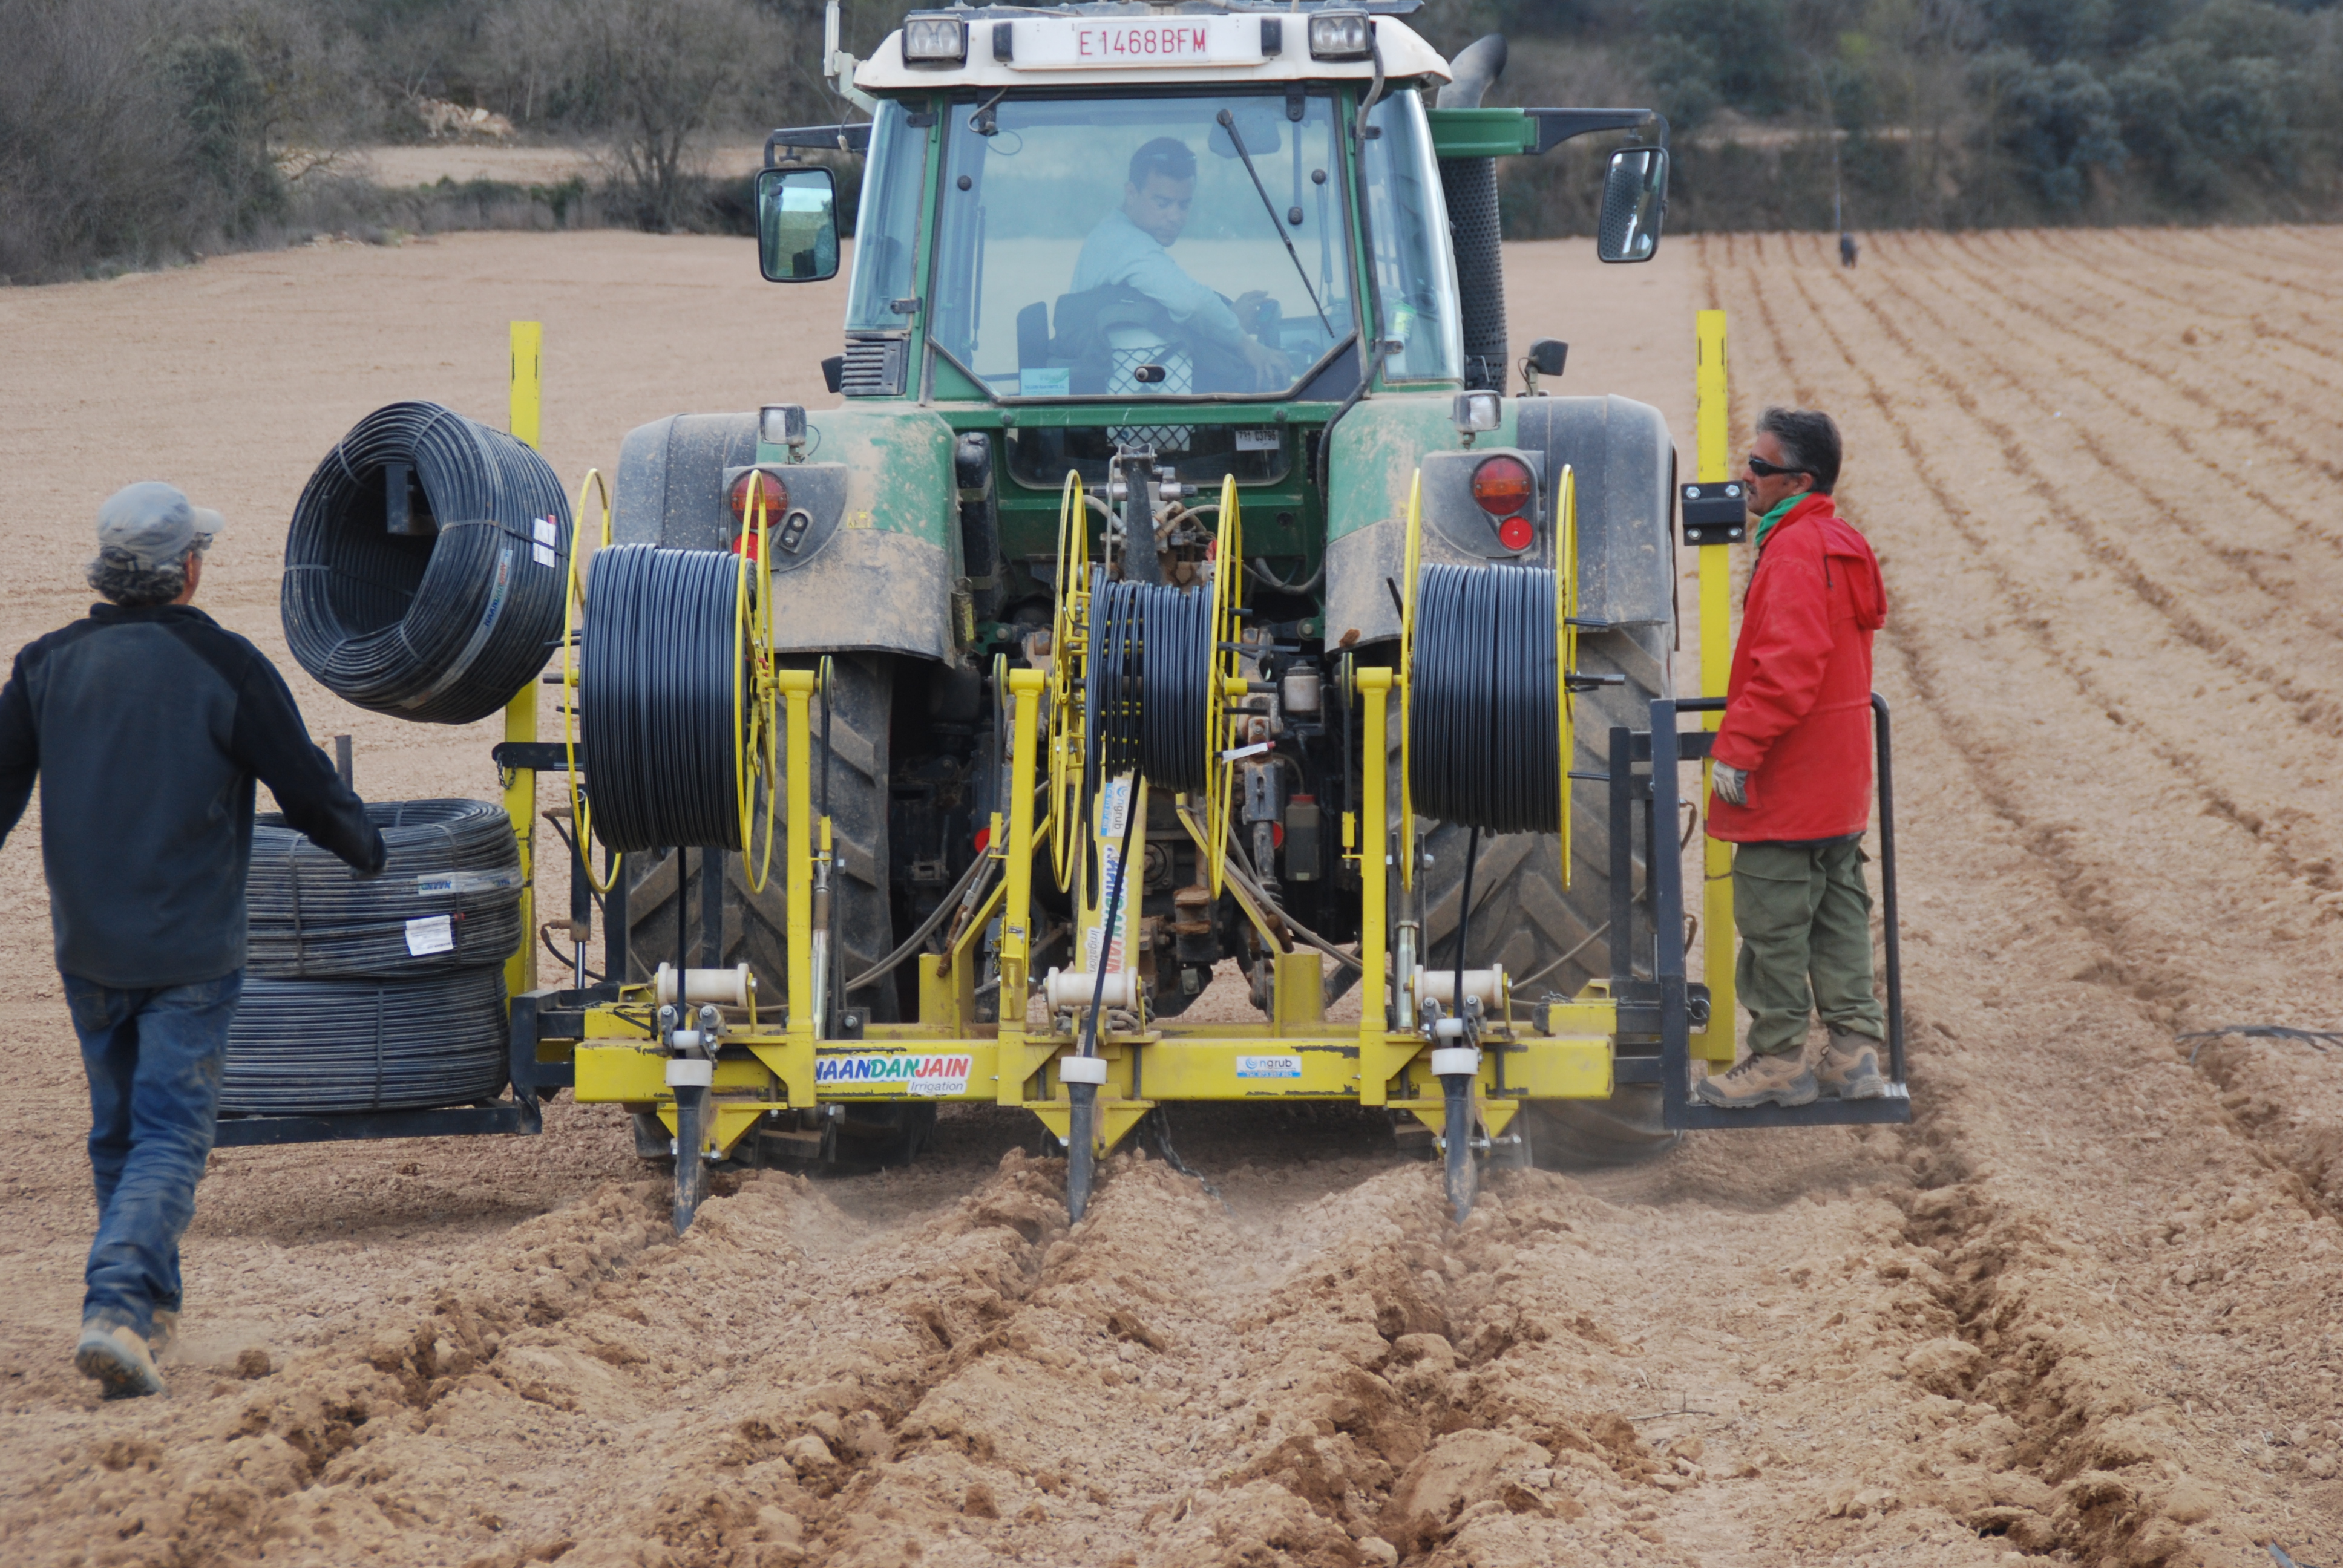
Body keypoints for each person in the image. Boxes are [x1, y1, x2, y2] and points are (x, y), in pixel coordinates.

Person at [0, 483, 384, 1398]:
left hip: (89, 949)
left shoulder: (45, 665)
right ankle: (117, 1306)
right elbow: (307, 788)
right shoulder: (226, 665)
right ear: (188, 572)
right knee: (171, 1134)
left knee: (119, 1133)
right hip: (190, 955)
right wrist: (365, 847)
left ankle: (149, 1318)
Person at [1698, 410, 1889, 1110]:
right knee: (1839, 914)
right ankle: (1852, 1053)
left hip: (1789, 777)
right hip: (1839, 780)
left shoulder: (1792, 551)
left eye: (1758, 467)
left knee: (1773, 924)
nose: (1743, 476)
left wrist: (1736, 750)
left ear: (1798, 482)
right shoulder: (1843, 542)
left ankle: (1778, 1061)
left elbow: (1787, 667)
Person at [1070, 136, 1291, 388]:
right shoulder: (1123, 242)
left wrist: (1227, 320)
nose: (1175, 216)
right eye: (1162, 203)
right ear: (1131, 193)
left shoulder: (1113, 236)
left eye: (1184, 205)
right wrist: (1246, 344)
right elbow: (1193, 303)